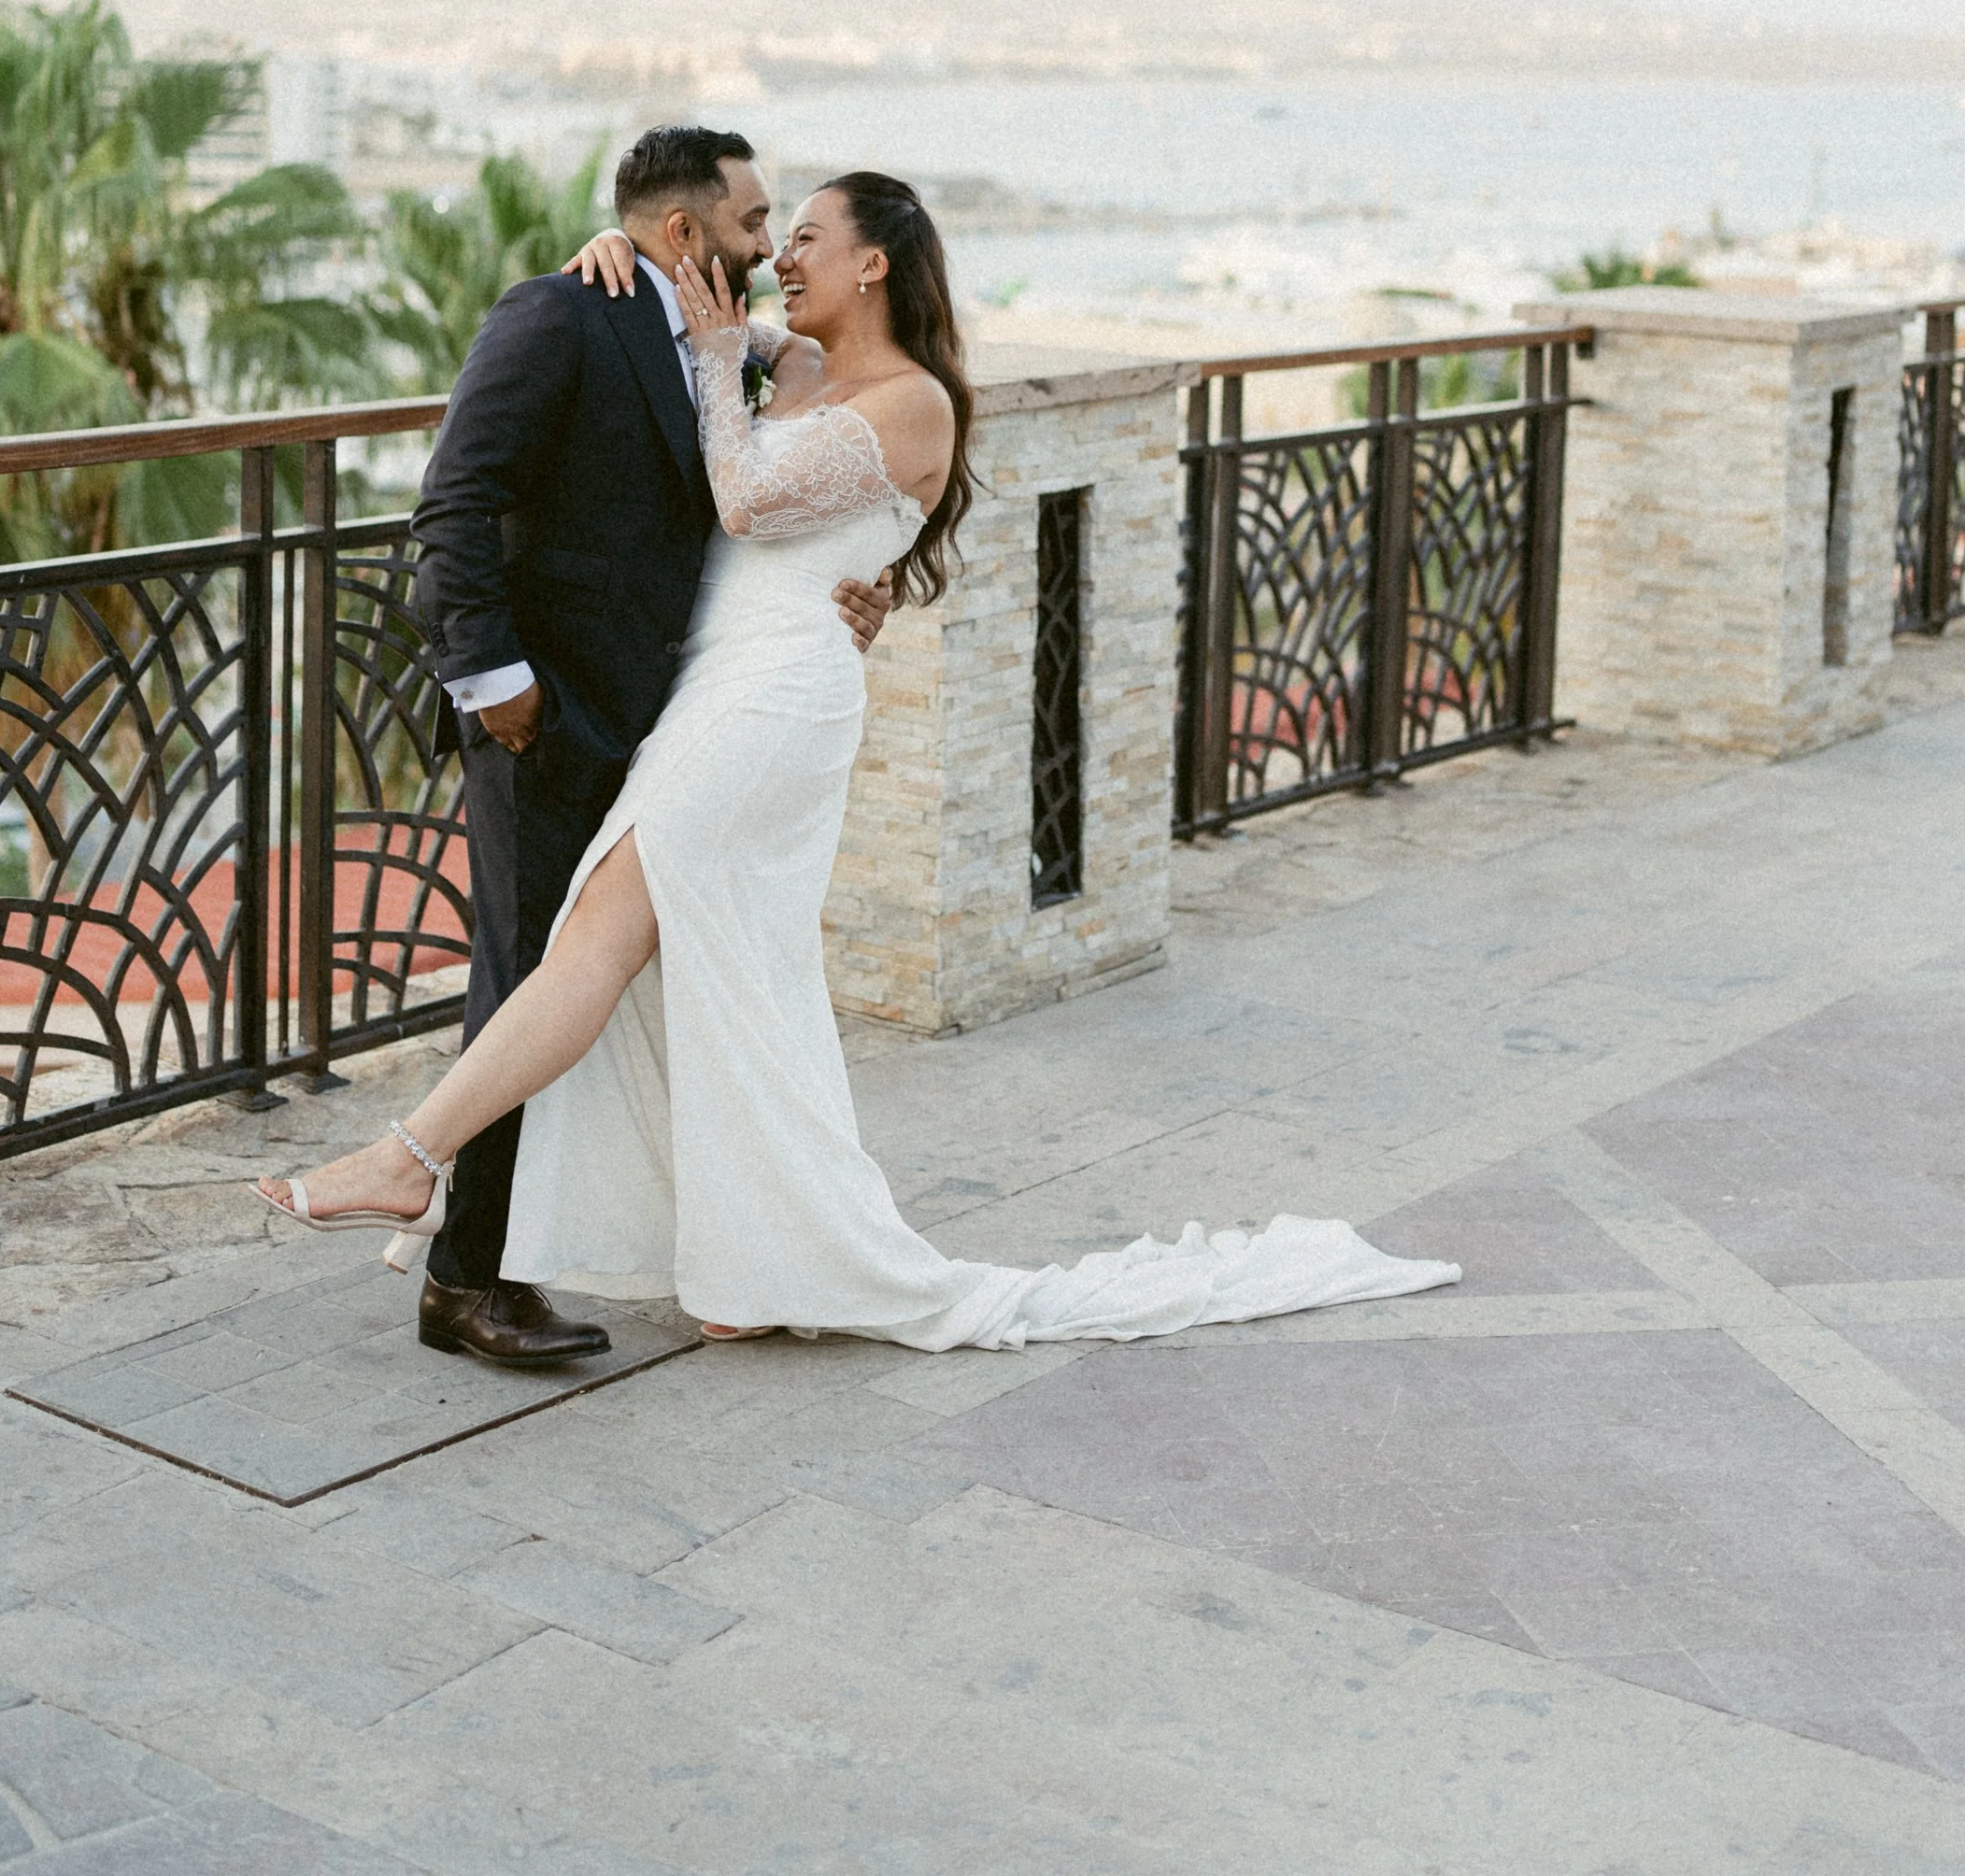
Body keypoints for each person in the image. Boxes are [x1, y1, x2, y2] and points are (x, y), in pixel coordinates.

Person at [260, 172, 1457, 1347]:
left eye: (808, 235)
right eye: (768, 232)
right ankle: (750, 1251)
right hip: (714, 690)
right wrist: (616, 248)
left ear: (873, 262)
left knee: (597, 938)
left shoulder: (916, 402)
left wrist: (737, 364)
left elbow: (740, 498)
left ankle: (408, 1160)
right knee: (720, 979)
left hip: (773, 702)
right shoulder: (800, 366)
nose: (781, 252)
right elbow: (699, 316)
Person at [286, 125, 892, 1367]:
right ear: (683, 232)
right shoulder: (564, 315)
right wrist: (496, 684)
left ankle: (673, 1240)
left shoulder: (726, 340)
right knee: (528, 977)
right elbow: (452, 499)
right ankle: (467, 1282)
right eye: (745, 223)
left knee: (602, 986)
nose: (767, 245)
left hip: (679, 725)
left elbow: (830, 440)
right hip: (550, 717)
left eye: (783, 227)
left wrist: (862, 583)